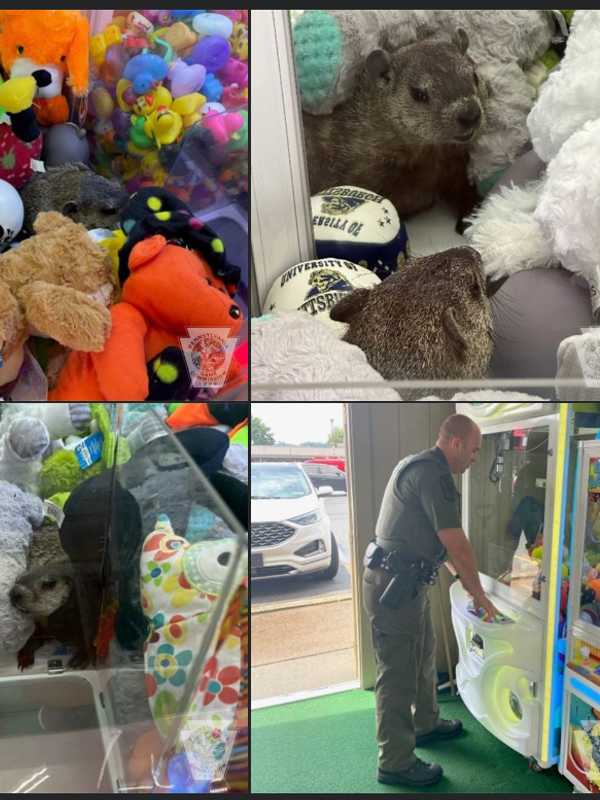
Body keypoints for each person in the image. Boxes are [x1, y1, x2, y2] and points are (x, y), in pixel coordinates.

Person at [363, 413, 501, 788]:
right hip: (394, 587)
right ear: (455, 442)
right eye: (473, 451)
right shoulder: (433, 474)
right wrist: (478, 592)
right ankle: (395, 761)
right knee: (397, 672)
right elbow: (455, 541)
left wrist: (462, 579)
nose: (474, 459)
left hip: (407, 582)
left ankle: (425, 723)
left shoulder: (421, 466)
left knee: (423, 653)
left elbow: (431, 543)